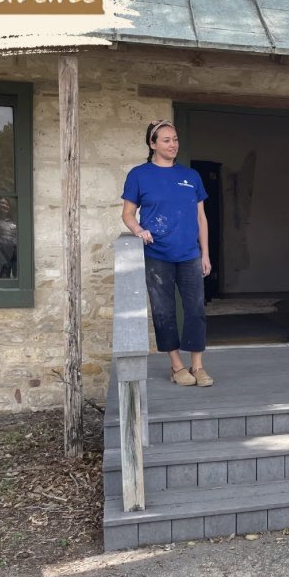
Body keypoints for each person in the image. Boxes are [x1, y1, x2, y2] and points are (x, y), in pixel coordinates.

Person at [121, 119, 214, 387]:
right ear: (152, 144)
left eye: (175, 139)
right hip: (157, 255)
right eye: (166, 140)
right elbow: (127, 214)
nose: (173, 144)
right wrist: (139, 229)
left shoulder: (191, 176)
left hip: (189, 255)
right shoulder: (139, 175)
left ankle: (198, 366)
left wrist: (205, 254)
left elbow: (201, 218)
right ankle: (176, 366)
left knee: (196, 310)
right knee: (164, 312)